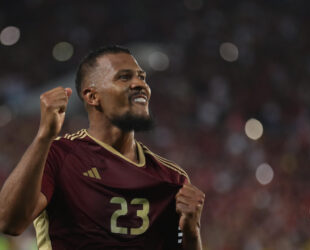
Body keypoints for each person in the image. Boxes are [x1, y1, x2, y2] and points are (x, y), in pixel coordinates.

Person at [0, 45, 205, 250]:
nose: (140, 84)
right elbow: (8, 222)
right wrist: (44, 136)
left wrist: (192, 232)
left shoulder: (172, 179)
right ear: (92, 96)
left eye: (142, 77)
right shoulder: (59, 155)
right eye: (124, 78)